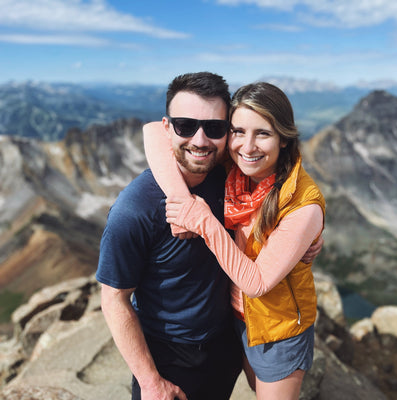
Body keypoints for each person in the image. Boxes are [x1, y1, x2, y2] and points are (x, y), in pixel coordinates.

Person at [144, 81, 326, 400]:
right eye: (239, 131)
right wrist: (181, 202)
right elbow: (153, 132)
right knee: (258, 389)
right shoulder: (238, 168)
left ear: (284, 138)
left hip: (277, 329)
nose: (247, 146)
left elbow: (256, 283)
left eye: (263, 133)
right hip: (239, 318)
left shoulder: (302, 205)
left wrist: (203, 222)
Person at [96, 72, 241, 400]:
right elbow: (114, 299)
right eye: (185, 126)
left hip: (225, 346)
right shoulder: (134, 210)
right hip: (169, 358)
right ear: (167, 128)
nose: (201, 140)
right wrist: (149, 381)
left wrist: (309, 235)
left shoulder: (227, 172)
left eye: (214, 128)